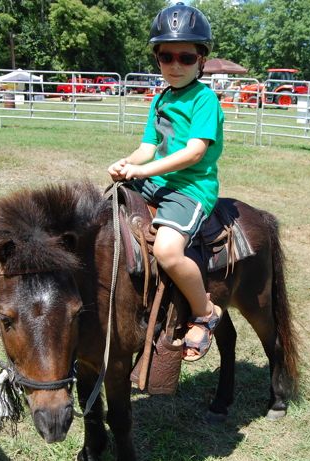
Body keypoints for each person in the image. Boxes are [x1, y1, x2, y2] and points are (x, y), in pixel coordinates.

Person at [108, 2, 224, 362]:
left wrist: (145, 171)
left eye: (186, 57)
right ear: (157, 59)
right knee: (106, 210)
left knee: (167, 251)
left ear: (201, 59)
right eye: (166, 56)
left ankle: (205, 311)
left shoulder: (204, 100)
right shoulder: (159, 99)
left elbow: (193, 153)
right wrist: (128, 163)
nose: (175, 65)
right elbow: (148, 147)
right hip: (157, 180)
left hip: (189, 189)